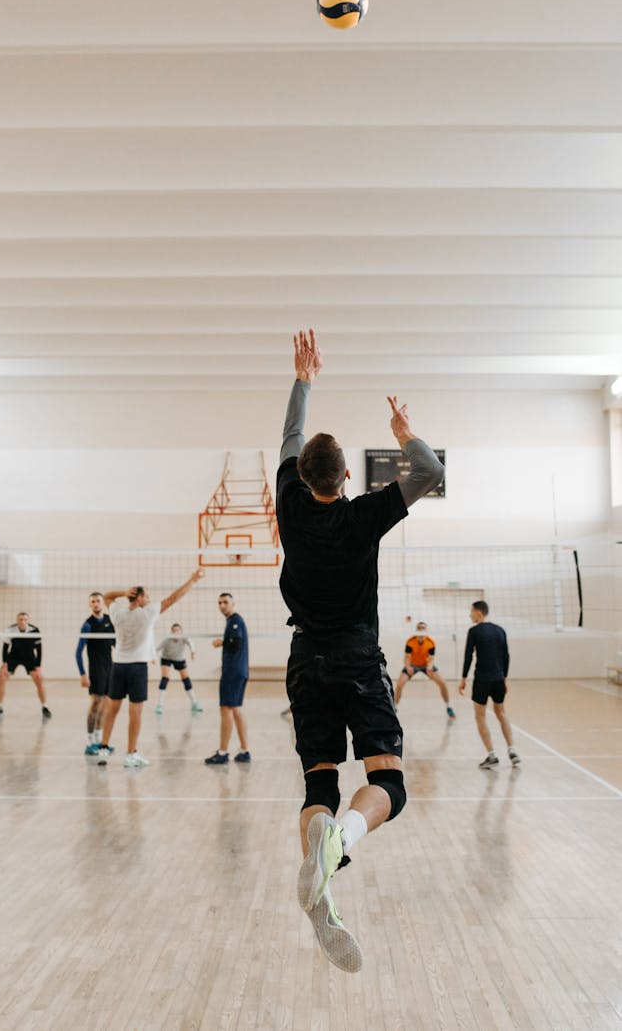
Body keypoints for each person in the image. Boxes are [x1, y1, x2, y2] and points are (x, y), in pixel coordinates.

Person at [278, 329, 444, 972]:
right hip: (354, 655)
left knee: (319, 781)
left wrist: (304, 379)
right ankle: (339, 844)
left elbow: (290, 438)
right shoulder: (367, 514)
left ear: (301, 476)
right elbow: (431, 472)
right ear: (348, 475)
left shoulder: (289, 503)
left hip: (303, 659)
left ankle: (318, 867)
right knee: (388, 784)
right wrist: (403, 430)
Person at [97, 569, 204, 768]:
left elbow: (107, 596)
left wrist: (123, 593)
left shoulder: (117, 612)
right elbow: (173, 598)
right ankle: (131, 754)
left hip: (118, 666)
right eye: (147, 595)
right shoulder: (147, 613)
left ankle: (104, 747)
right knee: (135, 712)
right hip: (137, 668)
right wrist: (192, 580)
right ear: (139, 598)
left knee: (112, 710)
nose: (150, 598)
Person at [459, 600, 521, 769]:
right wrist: (505, 678)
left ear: (479, 612)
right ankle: (512, 750)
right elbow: (506, 656)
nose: (469, 614)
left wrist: (463, 678)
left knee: (480, 715)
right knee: (501, 712)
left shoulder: (474, 631)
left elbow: (468, 656)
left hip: (482, 679)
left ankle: (491, 755)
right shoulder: (500, 630)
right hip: (499, 678)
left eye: (471, 611)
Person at [204, 593, 250, 765]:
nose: (222, 605)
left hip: (233, 672)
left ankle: (223, 752)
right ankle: (245, 750)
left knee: (226, 709)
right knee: (236, 710)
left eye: (225, 602)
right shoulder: (232, 621)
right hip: (239, 671)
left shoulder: (235, 620)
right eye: (220, 603)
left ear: (233, 603)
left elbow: (236, 644)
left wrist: (221, 642)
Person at [0, 612, 51, 720]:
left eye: (25, 620)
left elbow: (39, 649)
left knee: (39, 679)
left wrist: (38, 666)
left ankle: (45, 707)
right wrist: (5, 663)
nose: (23, 622)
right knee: (1, 676)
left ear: (28, 621)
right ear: (17, 621)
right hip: (14, 657)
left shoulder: (35, 630)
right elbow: (5, 648)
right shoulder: (10, 630)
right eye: (20, 619)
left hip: (29, 657)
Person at [75, 591, 116, 756]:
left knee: (106, 706)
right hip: (96, 669)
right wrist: (83, 674)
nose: (96, 603)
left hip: (110, 667)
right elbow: (78, 652)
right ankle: (90, 742)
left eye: (98, 601)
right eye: (93, 601)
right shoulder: (87, 625)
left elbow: (116, 644)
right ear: (90, 605)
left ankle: (99, 742)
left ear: (102, 603)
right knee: (95, 705)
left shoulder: (109, 620)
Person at [394, 621, 456, 719]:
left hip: (426, 665)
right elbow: (406, 657)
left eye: (423, 628)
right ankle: (395, 707)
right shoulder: (411, 641)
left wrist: (430, 666)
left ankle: (448, 707)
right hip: (412, 665)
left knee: (442, 683)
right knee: (399, 685)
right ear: (417, 630)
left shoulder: (430, 642)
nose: (421, 629)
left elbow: (431, 658)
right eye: (419, 628)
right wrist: (408, 667)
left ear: (426, 630)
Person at [155, 623, 203, 714]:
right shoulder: (167, 639)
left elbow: (191, 644)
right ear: (171, 632)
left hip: (179, 659)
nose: (176, 632)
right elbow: (157, 648)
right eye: (174, 631)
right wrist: (153, 657)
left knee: (186, 679)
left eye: (178, 630)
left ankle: (194, 703)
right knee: (165, 678)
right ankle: (160, 704)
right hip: (166, 658)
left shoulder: (184, 638)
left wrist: (193, 652)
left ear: (181, 632)